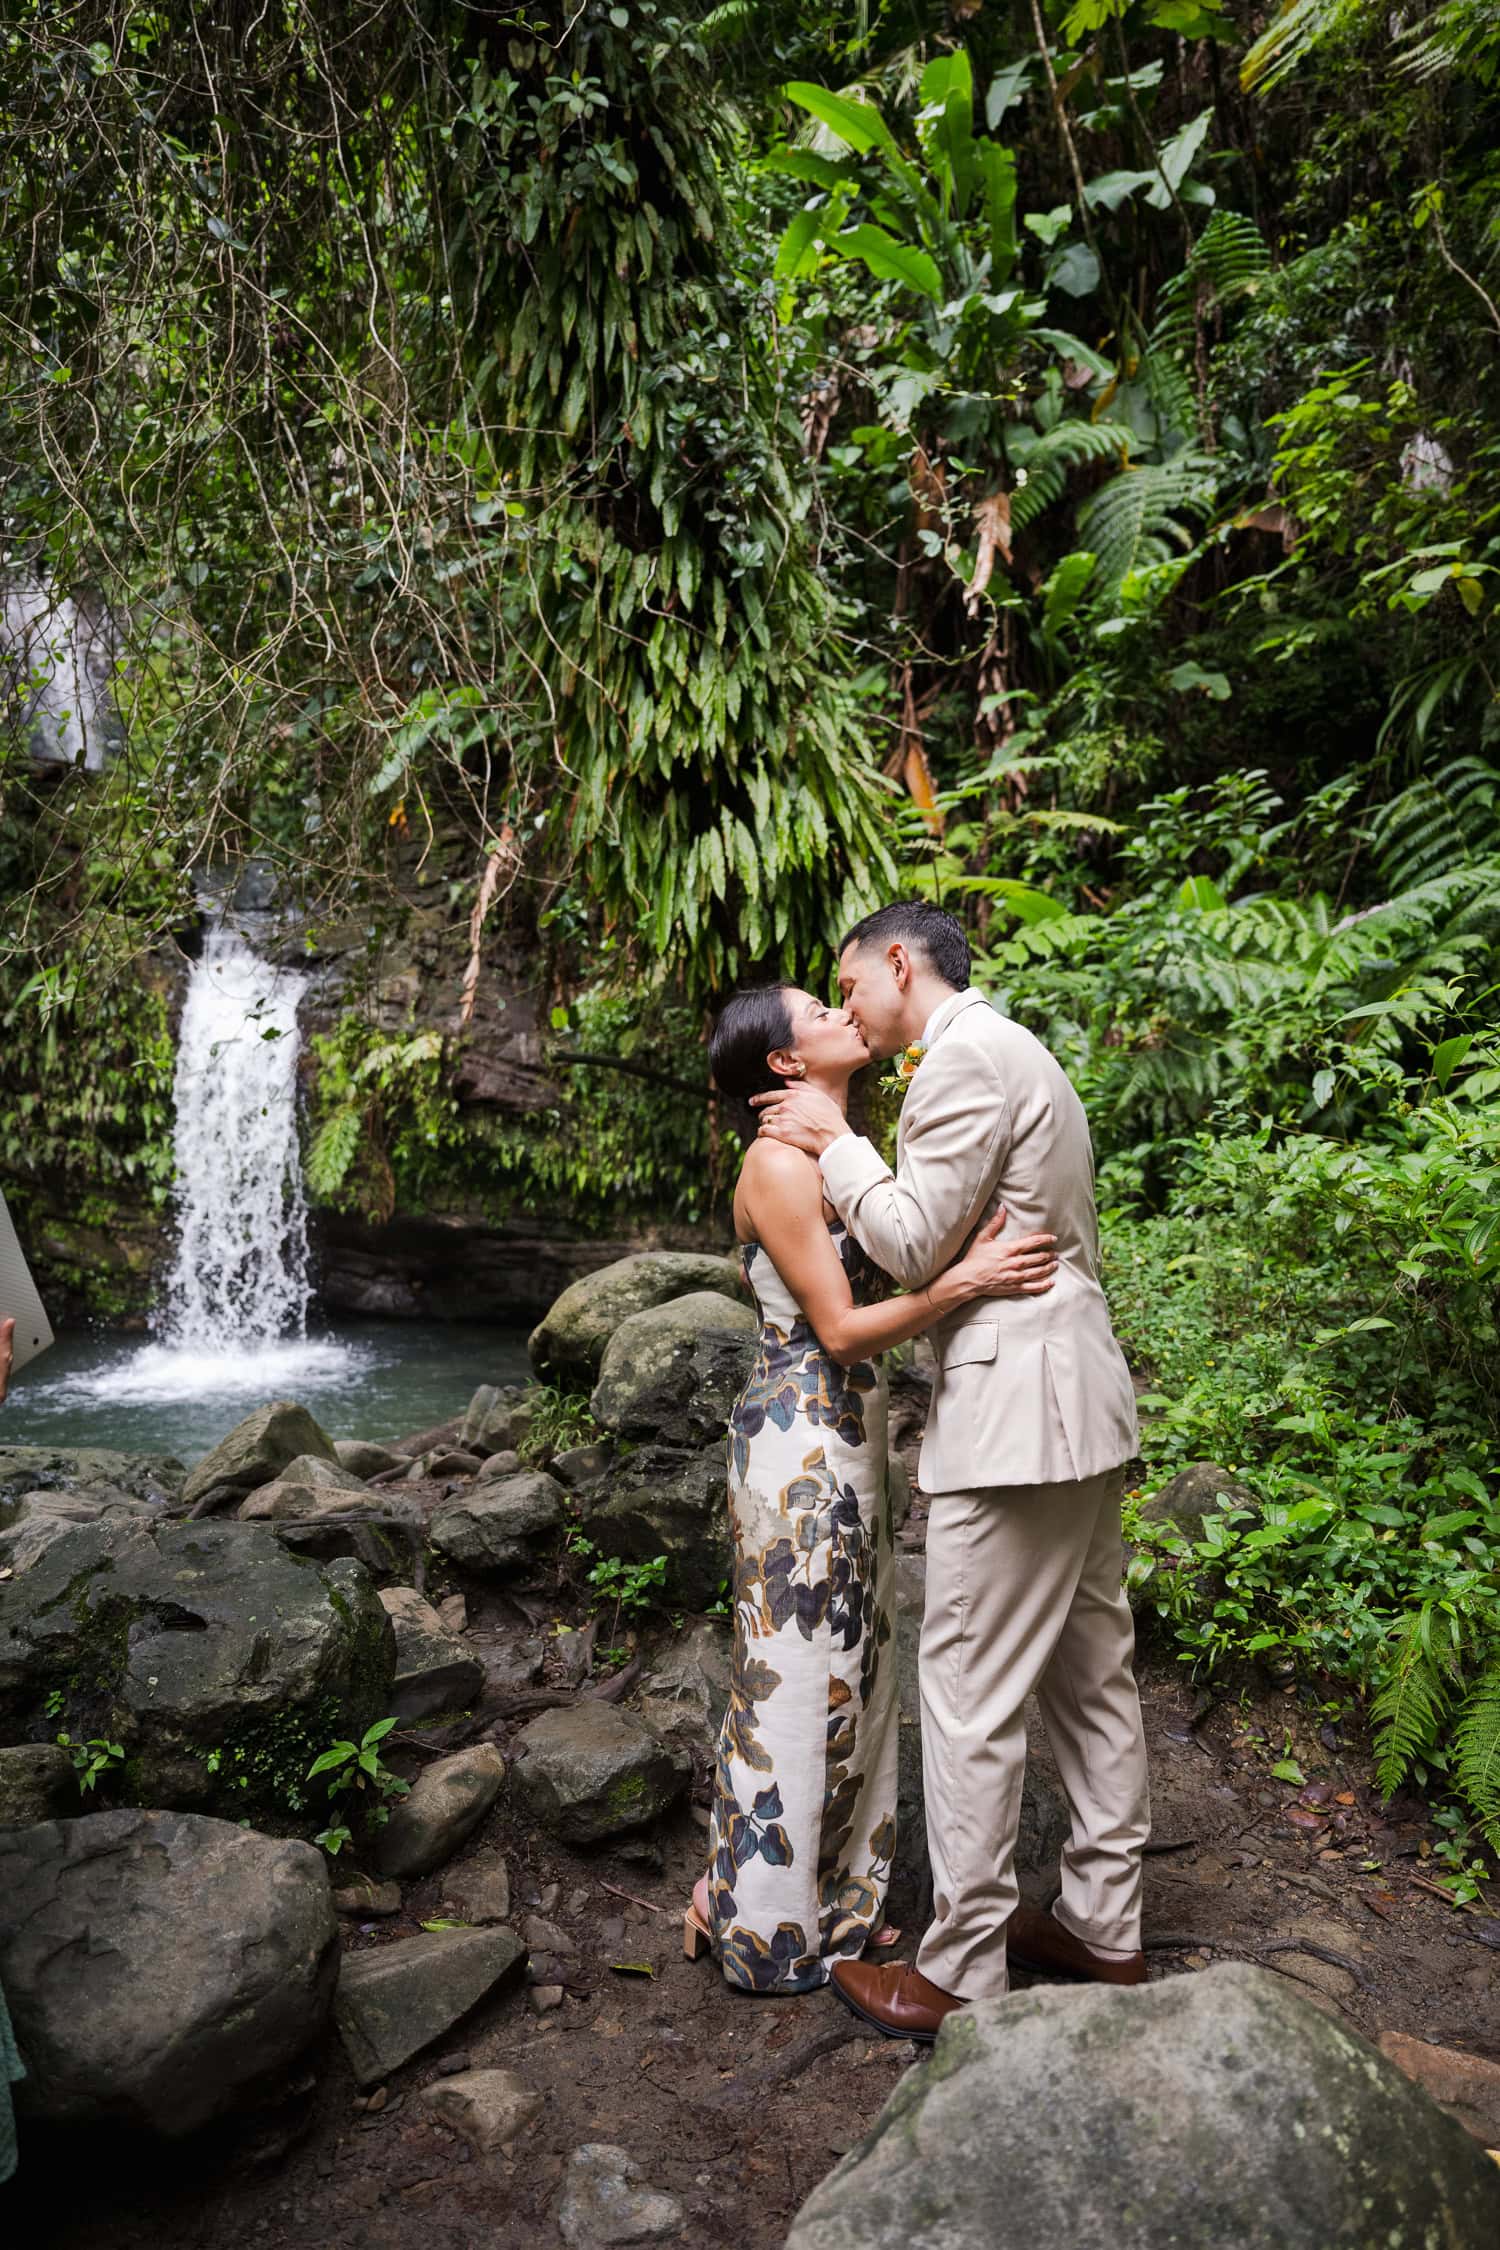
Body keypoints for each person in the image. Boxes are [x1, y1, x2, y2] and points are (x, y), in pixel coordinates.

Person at [755, 899, 1150, 2041]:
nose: (849, 1008)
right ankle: (1101, 1926)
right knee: (1091, 1679)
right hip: (1076, 1403)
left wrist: (839, 1148)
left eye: (849, 983)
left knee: (970, 1693)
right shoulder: (1020, 1048)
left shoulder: (964, 1059)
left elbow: (913, 1241)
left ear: (896, 962)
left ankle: (962, 1969)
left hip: (1020, 1416)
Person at [688, 983, 1061, 1993]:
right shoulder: (775, 1165)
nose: (844, 1013)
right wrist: (964, 1286)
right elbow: (843, 1328)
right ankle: (766, 1927)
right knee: (795, 1674)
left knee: (853, 1666)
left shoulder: (837, 1153)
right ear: (783, 1064)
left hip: (848, 1438)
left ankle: (827, 1908)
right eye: (819, 1010)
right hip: (801, 1442)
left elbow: (890, 1264)